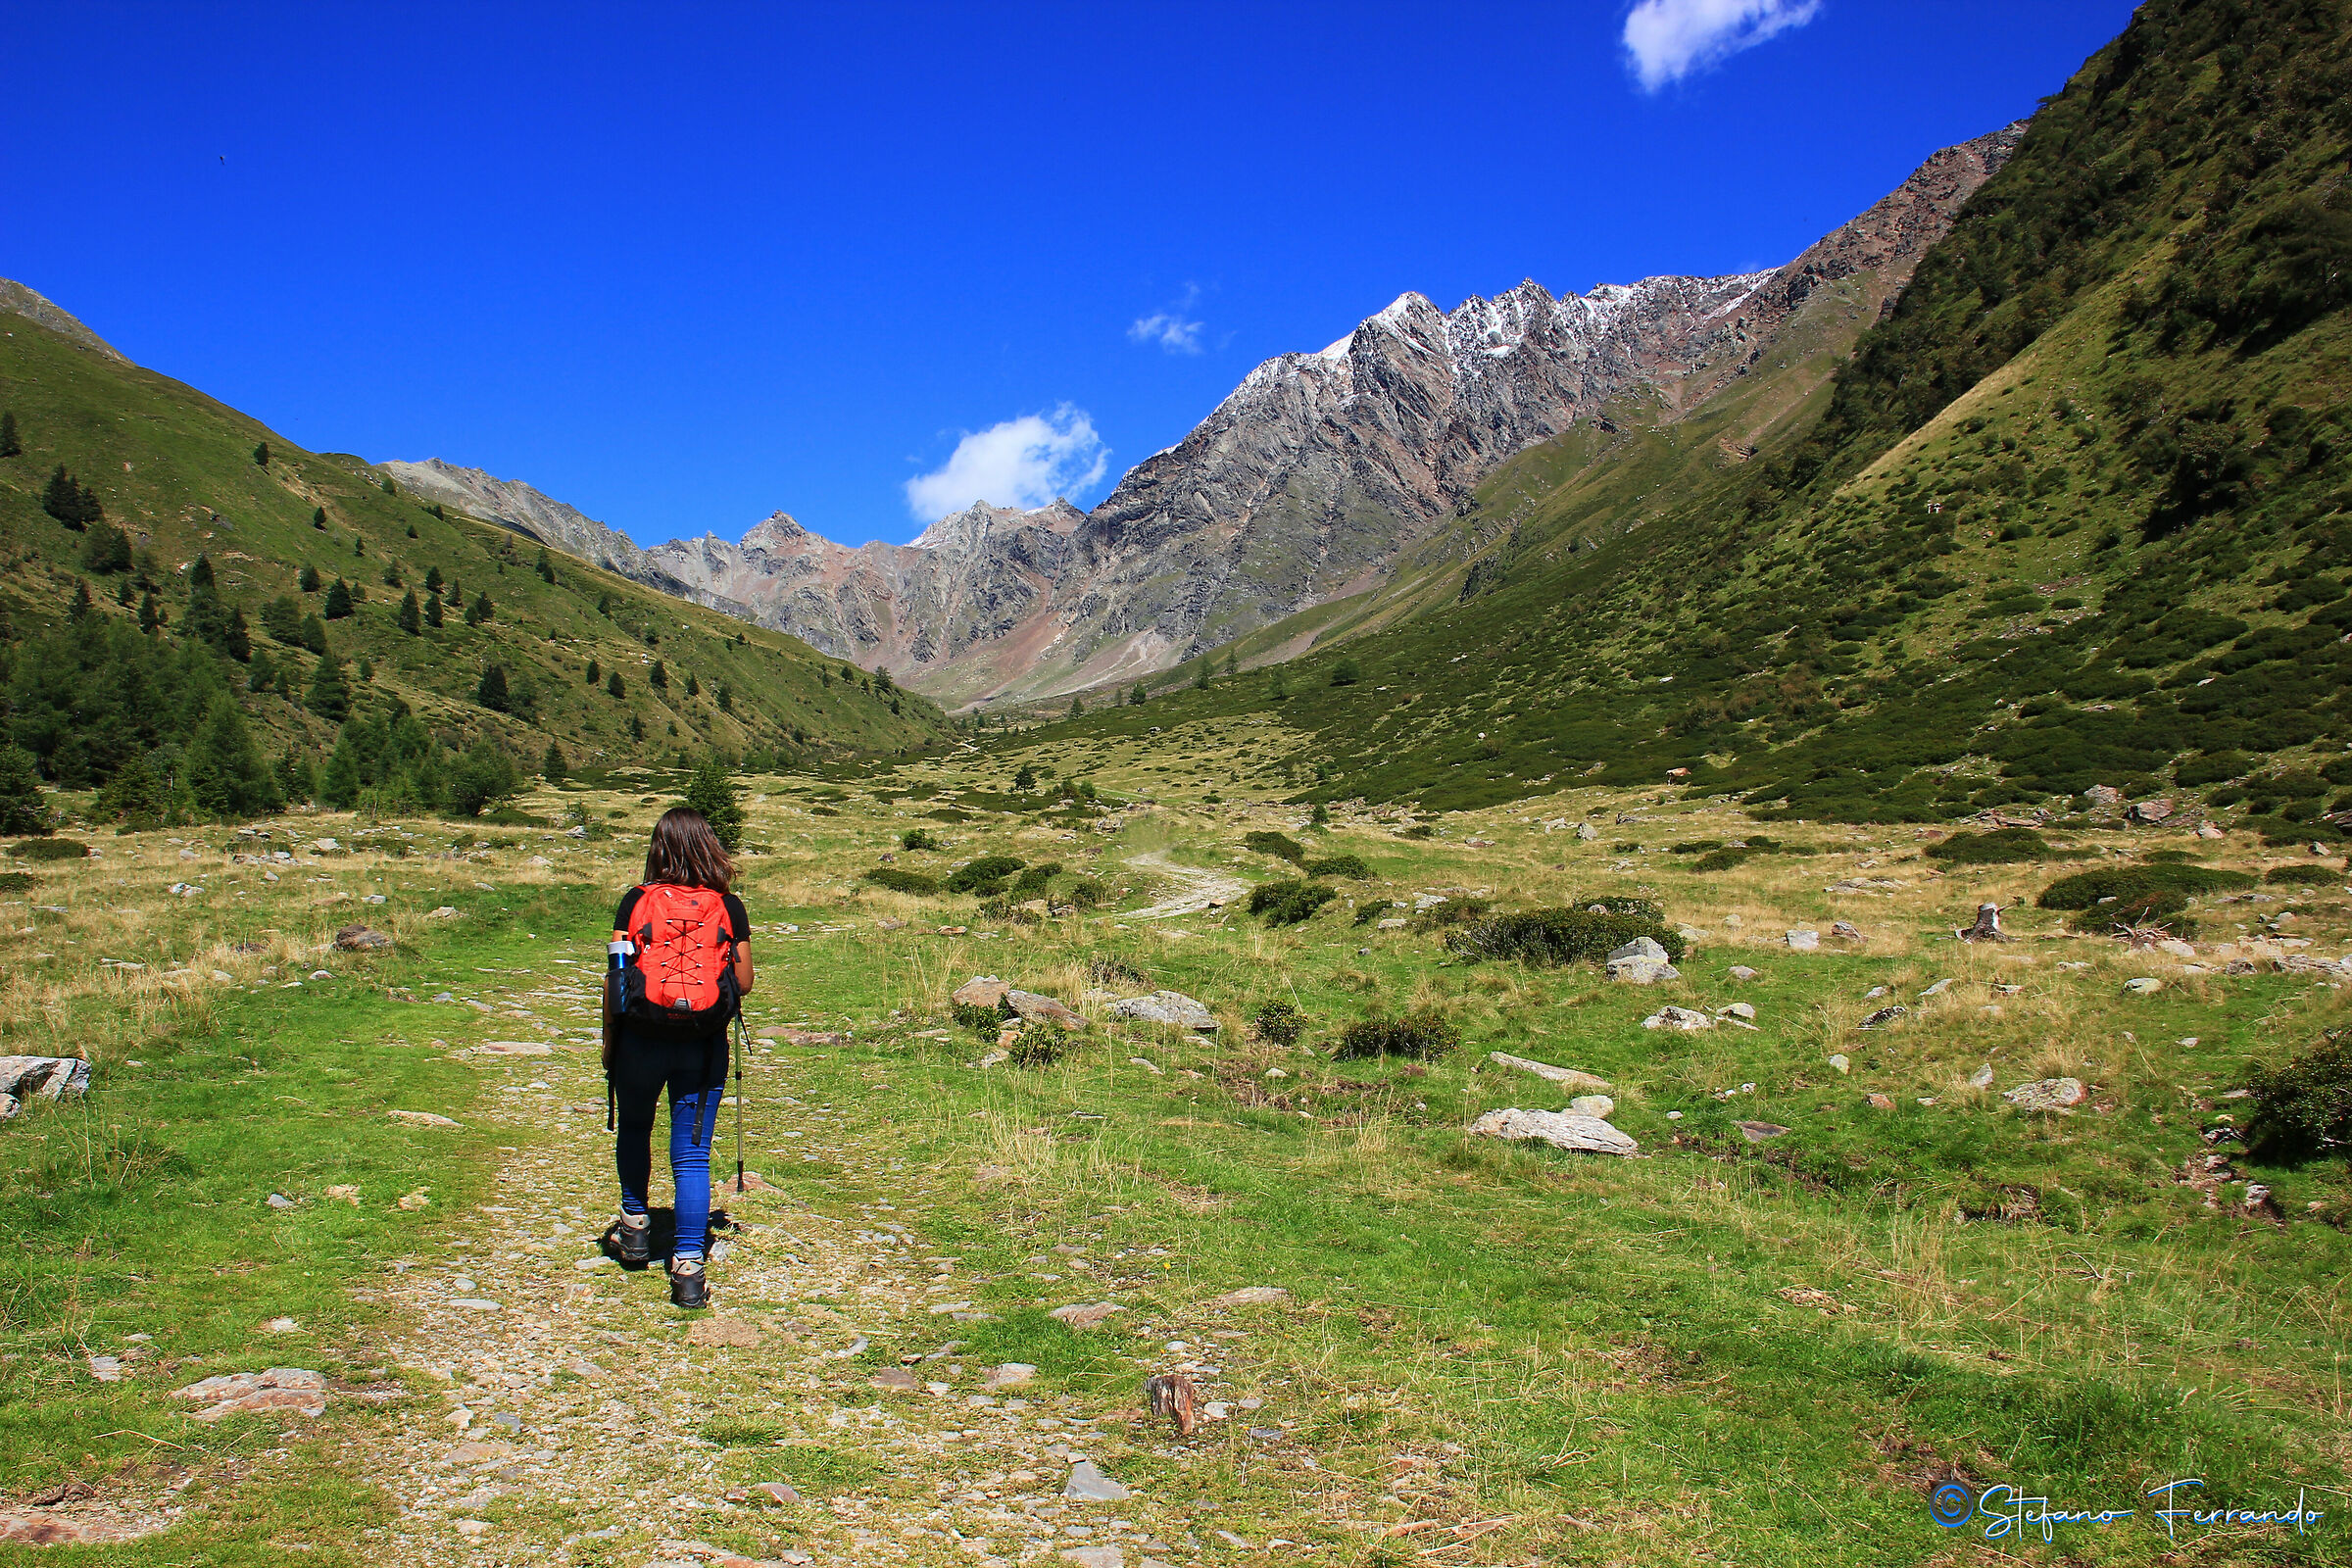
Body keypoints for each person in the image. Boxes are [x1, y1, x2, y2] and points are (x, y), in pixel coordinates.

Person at [603, 807, 753, 1308]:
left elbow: (617, 981)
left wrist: (610, 1046)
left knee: (635, 1129)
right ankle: (688, 1268)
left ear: (658, 848)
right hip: (701, 1046)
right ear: (710, 846)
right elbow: (746, 982)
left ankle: (635, 1228)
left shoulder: (635, 901)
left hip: (639, 1041)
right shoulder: (728, 906)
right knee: (691, 1156)